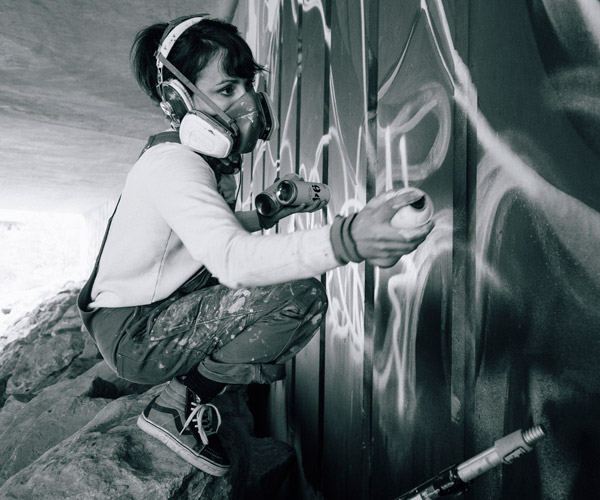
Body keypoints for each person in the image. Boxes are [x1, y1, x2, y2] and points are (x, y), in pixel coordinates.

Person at [77, 5, 433, 478]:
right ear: (175, 98)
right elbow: (230, 260)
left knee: (272, 288)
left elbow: (198, 237)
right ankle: (177, 405)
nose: (247, 102)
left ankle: (190, 392)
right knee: (296, 294)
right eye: (226, 89)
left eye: (247, 85)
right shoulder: (175, 167)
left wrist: (269, 211)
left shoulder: (186, 159)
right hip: (136, 335)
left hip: (148, 306)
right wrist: (346, 240)